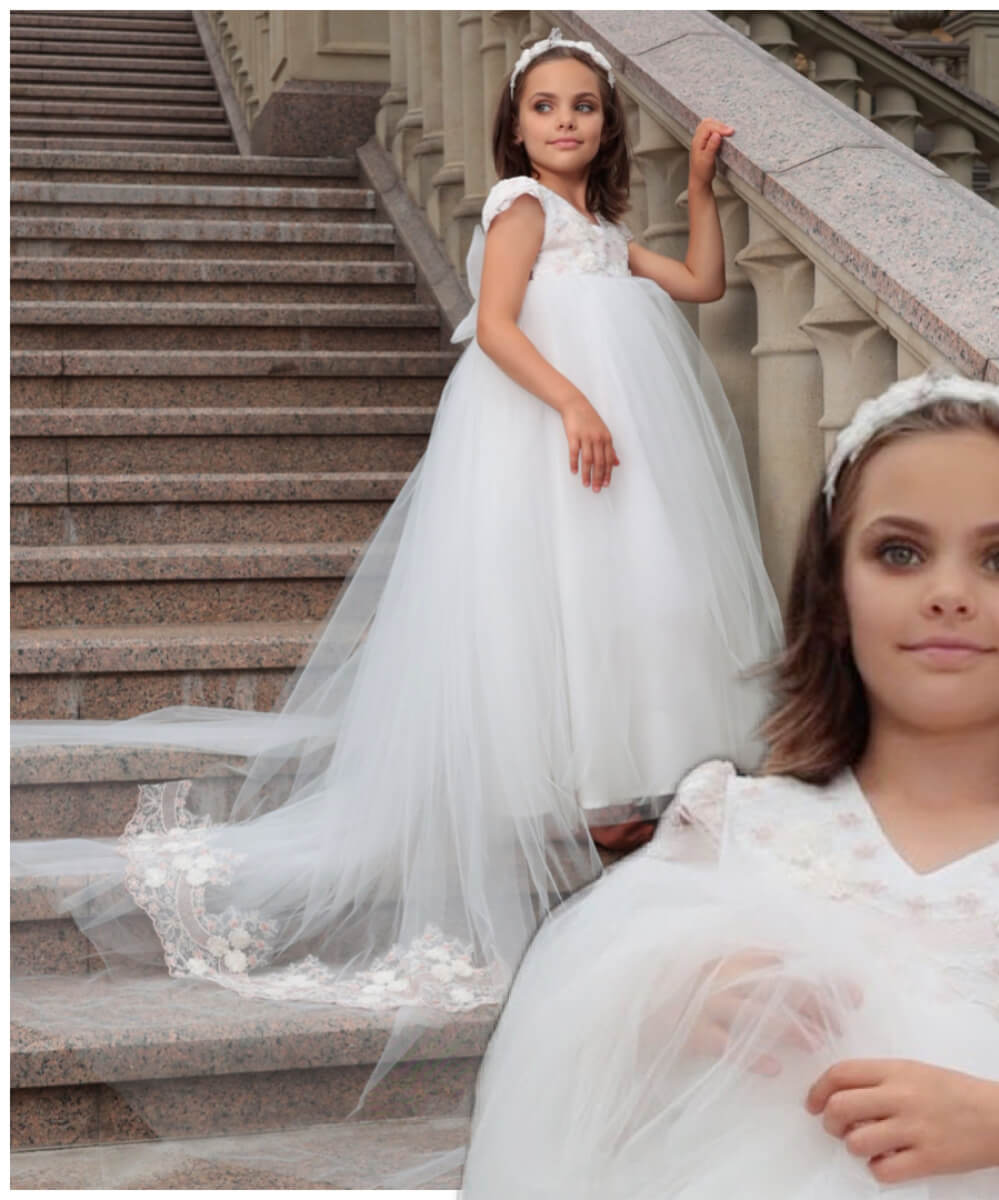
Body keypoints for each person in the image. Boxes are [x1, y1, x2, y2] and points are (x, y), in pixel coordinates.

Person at [11, 22, 779, 1119]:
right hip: (549, 438)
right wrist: (572, 401)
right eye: (545, 106)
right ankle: (584, 799)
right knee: (547, 601)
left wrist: (701, 182)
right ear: (514, 126)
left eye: (585, 107)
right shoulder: (517, 212)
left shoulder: (599, 227)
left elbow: (703, 282)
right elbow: (500, 330)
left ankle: (616, 792)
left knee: (631, 603)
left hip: (616, 445)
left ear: (607, 126)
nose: (566, 122)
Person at [460, 372, 999, 1199]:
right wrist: (679, 1005)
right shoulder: (733, 826)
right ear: (837, 594)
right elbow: (573, 1068)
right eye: (899, 552)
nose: (948, 595)